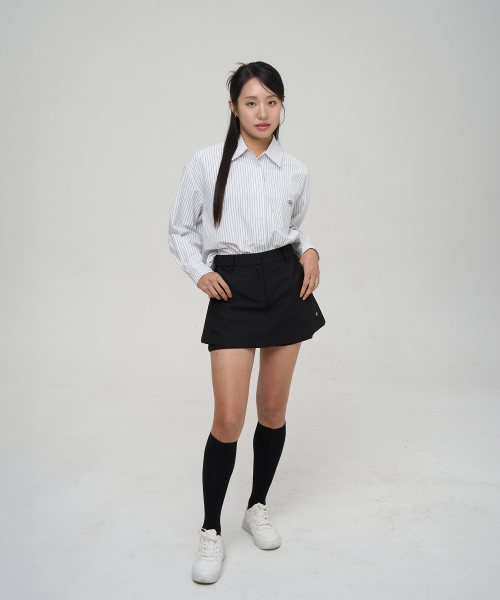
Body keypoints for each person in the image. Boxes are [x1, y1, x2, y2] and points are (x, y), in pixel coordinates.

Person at [168, 61, 326, 584]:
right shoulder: (206, 162)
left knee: (273, 410)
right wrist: (200, 272)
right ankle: (211, 529)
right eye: (251, 102)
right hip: (233, 288)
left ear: (282, 107)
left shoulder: (295, 169)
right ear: (234, 107)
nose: (263, 112)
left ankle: (256, 505)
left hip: (284, 286)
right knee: (230, 418)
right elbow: (179, 231)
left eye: (271, 102)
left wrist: (310, 251)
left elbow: (291, 230)